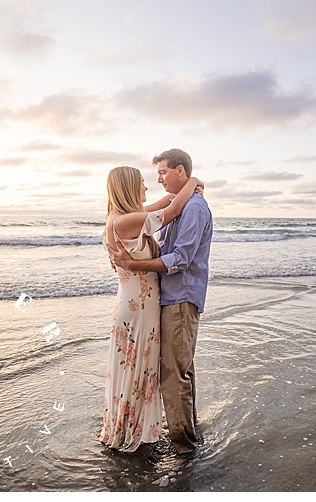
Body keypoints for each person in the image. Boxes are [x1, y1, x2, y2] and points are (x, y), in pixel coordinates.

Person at [109, 149, 213, 457]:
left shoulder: (193, 208)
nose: (157, 180)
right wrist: (191, 182)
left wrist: (135, 265)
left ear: (180, 170)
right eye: (150, 177)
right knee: (180, 370)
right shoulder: (175, 206)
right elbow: (161, 215)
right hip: (165, 300)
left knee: (173, 374)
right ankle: (186, 432)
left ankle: (184, 446)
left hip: (179, 298)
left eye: (163, 172)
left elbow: (180, 258)